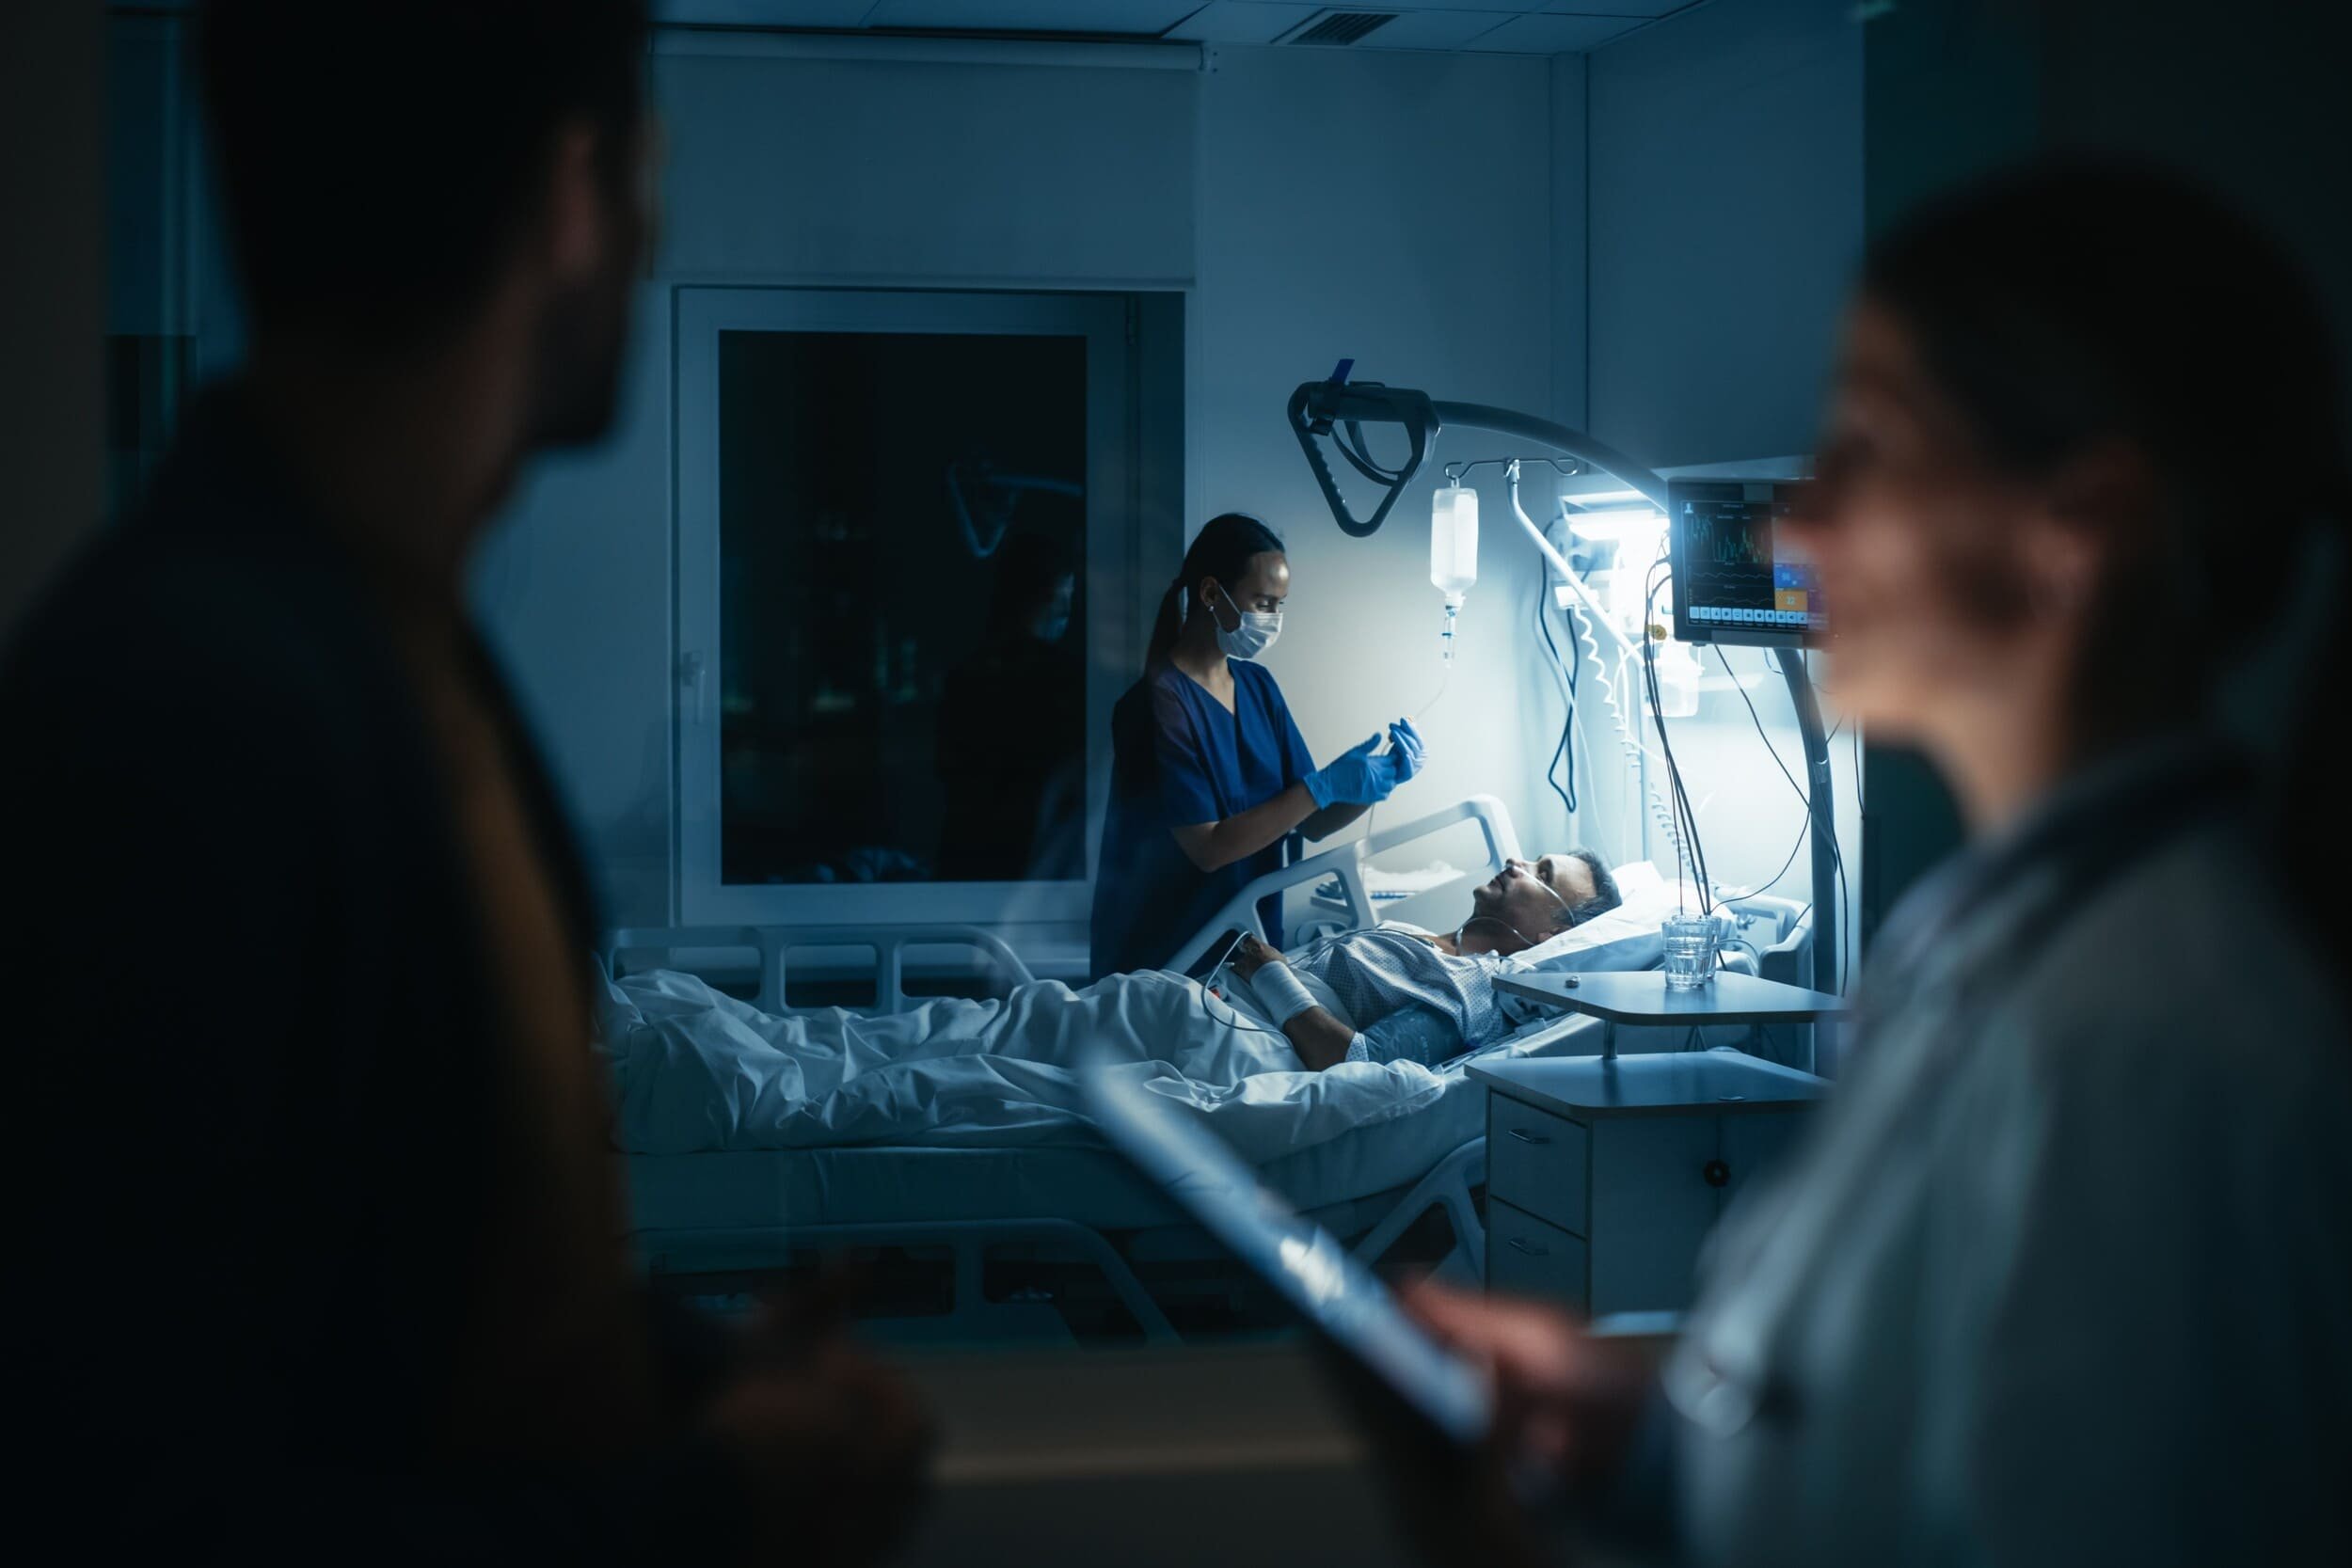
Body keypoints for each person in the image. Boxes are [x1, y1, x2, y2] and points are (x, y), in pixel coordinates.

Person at [2, 4, 928, 1563]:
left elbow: (389, 1292)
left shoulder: (403, 654)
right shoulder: (180, 718)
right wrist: (717, 1499)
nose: (647, 243)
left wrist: (705, 1370)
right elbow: (133, 1501)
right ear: (571, 199)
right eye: (651, 174)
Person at [1365, 158, 2352, 1566]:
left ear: (2076, 531)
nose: (1797, 524)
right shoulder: (1994, 938)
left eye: (1867, 448)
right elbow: (1879, 1439)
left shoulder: (2151, 1047)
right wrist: (1636, 1427)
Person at [1093, 512, 1427, 974]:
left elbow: (1310, 822)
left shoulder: (1258, 687)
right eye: (1264, 603)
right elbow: (1209, 849)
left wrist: (1375, 781)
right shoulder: (1155, 705)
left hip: (1248, 952)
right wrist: (1324, 785)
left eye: (1280, 604)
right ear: (1211, 593)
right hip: (1166, 958)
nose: (1273, 619)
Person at [934, 531, 1085, 880]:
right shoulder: (1063, 679)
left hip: (969, 853)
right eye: (1067, 592)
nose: (1068, 606)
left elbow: (945, 765)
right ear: (1051, 592)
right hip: (1025, 853)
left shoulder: (967, 672)